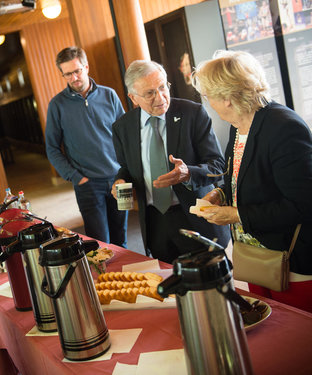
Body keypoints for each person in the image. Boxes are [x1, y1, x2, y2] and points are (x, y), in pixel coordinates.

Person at [191, 50, 312, 313]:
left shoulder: (284, 128)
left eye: (208, 95)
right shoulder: (239, 124)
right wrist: (221, 194)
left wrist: (235, 215)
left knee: (296, 336)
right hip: (255, 255)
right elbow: (241, 178)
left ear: (227, 99)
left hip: (290, 260)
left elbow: (302, 205)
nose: (208, 102)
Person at [111, 60, 230, 263]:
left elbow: (218, 165)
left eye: (163, 87)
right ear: (133, 98)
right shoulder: (122, 127)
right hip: (156, 222)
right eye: (149, 93)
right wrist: (120, 181)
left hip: (195, 217)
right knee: (171, 287)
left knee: (212, 285)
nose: (160, 97)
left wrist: (189, 173)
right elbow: (125, 167)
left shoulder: (193, 113)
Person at [45, 46, 128, 247]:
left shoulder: (110, 95)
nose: (74, 78)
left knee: (122, 238)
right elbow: (52, 148)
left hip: (119, 178)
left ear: (86, 67)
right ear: (62, 75)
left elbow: (126, 136)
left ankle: (126, 277)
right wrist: (76, 177)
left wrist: (127, 171)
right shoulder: (57, 105)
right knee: (99, 243)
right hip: (88, 184)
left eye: (77, 71)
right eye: (67, 74)